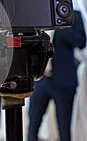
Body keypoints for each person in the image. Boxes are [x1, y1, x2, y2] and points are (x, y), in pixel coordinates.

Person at [27, 10, 86, 141]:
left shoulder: (73, 15)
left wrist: (62, 24)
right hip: (41, 80)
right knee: (33, 126)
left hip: (64, 81)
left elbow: (81, 42)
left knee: (64, 130)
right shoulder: (39, 15)